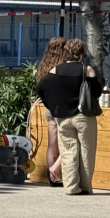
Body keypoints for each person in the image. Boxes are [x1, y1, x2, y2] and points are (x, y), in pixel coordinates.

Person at [36, 38, 102, 196]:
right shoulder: (86, 70)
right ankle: (85, 186)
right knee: (86, 151)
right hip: (83, 116)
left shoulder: (56, 70)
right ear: (81, 53)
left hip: (63, 117)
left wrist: (53, 106)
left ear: (65, 53)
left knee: (68, 152)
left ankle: (71, 187)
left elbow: (41, 88)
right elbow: (97, 92)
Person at [34, 37, 67, 187]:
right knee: (68, 143)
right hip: (62, 108)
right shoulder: (62, 66)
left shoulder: (44, 65)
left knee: (52, 145)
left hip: (49, 107)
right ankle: (56, 173)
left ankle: (52, 175)